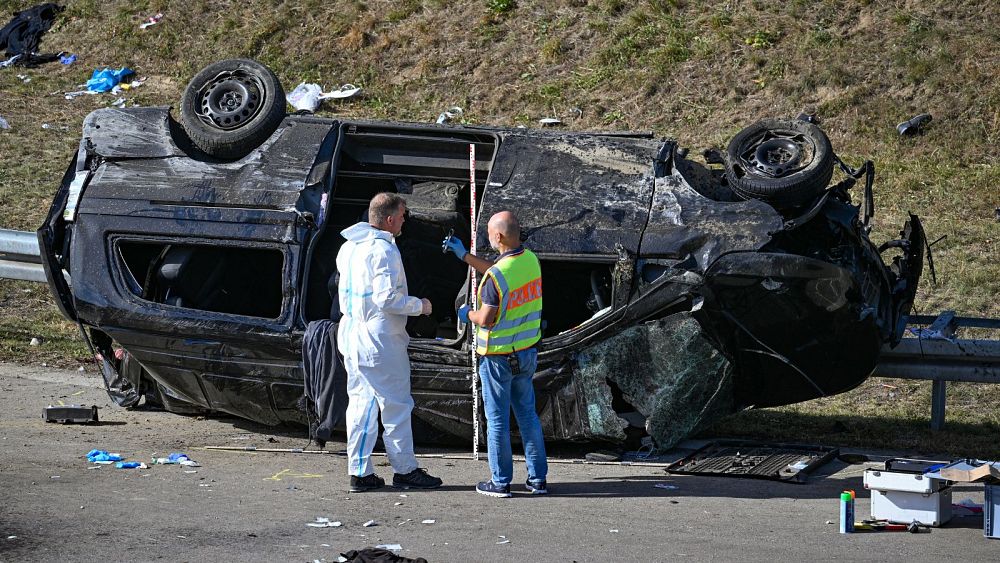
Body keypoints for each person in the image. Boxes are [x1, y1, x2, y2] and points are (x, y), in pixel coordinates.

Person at [336, 192, 443, 492]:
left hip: (352, 334)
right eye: (403, 214)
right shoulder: (384, 251)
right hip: (380, 340)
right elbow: (386, 299)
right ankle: (405, 469)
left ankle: (359, 472)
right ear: (390, 219)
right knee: (396, 405)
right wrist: (420, 306)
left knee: (360, 404)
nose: (406, 220)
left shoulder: (349, 247)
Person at [443, 211, 548, 498]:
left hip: (497, 358)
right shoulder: (530, 261)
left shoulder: (495, 279)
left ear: (498, 236)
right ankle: (537, 480)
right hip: (525, 354)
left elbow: (486, 317)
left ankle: (500, 482)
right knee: (528, 416)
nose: (488, 237)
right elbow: (499, 271)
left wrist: (467, 314)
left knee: (498, 419)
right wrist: (465, 257)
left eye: (489, 232)